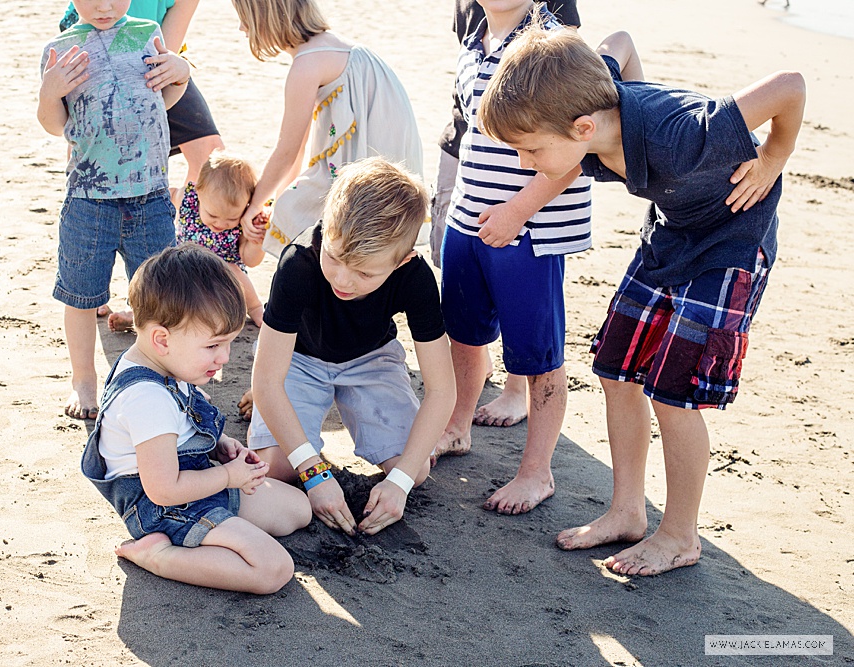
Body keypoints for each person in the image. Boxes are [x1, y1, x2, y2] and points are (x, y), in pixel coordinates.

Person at [478, 16, 805, 574]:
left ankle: (679, 536)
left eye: (529, 151)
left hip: (731, 243)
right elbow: (621, 43)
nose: (524, 166)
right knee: (615, 367)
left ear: (583, 129)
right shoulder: (592, 104)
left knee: (672, 392)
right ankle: (626, 512)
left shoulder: (682, 132)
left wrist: (774, 158)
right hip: (672, 232)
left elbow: (789, 85)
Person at [432, 0, 594, 519]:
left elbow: (577, 149)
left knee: (537, 356)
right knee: (463, 334)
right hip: (467, 218)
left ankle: (536, 472)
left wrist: (517, 211)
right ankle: (457, 427)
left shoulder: (550, 40)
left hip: (530, 228)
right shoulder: (474, 37)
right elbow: (466, 137)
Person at [80, 244, 311, 593]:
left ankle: (218, 532)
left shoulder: (164, 359)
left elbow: (183, 424)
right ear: (162, 339)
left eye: (228, 343)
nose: (224, 358)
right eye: (213, 346)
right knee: (273, 569)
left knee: (298, 510)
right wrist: (228, 476)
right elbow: (163, 490)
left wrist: (220, 446)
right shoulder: (146, 399)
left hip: (199, 479)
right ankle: (160, 556)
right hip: (164, 507)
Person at [248, 158, 456, 536]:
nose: (343, 279)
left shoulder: (416, 278)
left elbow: (442, 390)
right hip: (299, 358)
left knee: (416, 468)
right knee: (277, 467)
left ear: (403, 260)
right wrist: (313, 472)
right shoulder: (298, 264)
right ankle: (289, 424)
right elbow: (266, 381)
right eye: (335, 256)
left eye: (365, 272)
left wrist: (400, 484)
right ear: (326, 227)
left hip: (372, 358)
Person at [38, 0, 193, 419]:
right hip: (89, 198)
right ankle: (84, 378)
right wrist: (50, 91)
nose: (104, 6)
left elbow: (167, 96)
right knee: (81, 293)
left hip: (150, 192)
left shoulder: (146, 33)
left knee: (162, 292)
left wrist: (181, 73)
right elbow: (55, 124)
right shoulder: (63, 47)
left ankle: (174, 376)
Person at [229, 0, 424, 257]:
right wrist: (276, 201)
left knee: (303, 217)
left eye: (245, 17)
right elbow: (296, 150)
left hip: (368, 170)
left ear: (265, 17)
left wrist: (254, 206)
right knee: (289, 205)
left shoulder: (306, 64)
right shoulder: (340, 46)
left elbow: (287, 150)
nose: (242, 27)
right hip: (396, 167)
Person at [59, 0, 224, 185]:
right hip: (91, 35)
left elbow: (162, 52)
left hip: (150, 57)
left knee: (210, 155)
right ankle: (78, 199)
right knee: (95, 138)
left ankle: (184, 210)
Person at [173, 150, 268, 326]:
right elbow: (165, 198)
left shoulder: (245, 219)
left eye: (231, 218)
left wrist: (256, 241)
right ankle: (139, 315)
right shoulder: (187, 199)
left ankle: (254, 308)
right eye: (212, 215)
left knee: (230, 268)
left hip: (221, 281)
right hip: (185, 269)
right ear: (199, 192)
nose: (221, 223)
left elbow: (250, 260)